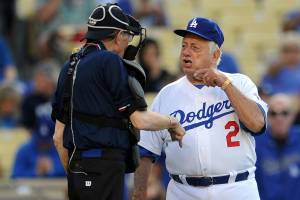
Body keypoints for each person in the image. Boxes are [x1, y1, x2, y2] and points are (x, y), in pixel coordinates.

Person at [51, 4, 185, 200]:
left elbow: (58, 137)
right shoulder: (109, 61)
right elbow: (139, 120)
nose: (128, 41)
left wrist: (75, 174)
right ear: (117, 35)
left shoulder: (69, 66)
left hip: (78, 168)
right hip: (105, 166)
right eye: (127, 35)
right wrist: (172, 122)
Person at [133, 17, 268, 200]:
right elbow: (145, 152)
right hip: (183, 191)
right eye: (184, 46)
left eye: (195, 47)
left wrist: (225, 84)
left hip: (236, 189)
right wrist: (139, 194)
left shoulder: (240, 83)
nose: (186, 53)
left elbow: (257, 123)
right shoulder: (167, 94)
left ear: (215, 54)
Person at [255, 94, 300, 200]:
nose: (279, 118)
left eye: (285, 113)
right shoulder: (256, 144)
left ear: (293, 115)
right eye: (273, 113)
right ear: (267, 116)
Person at [11, 101, 65, 178]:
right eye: (40, 141)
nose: (43, 144)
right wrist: (36, 172)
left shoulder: (61, 150)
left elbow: (70, 175)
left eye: (46, 141)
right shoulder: (24, 149)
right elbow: (15, 176)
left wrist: (51, 170)